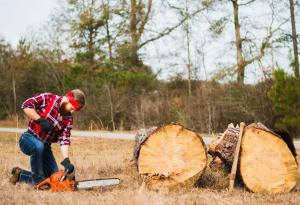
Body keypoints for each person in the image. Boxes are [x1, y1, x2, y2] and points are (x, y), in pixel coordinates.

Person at [9, 89, 86, 186]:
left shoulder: (68, 119)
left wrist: (66, 161)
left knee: (54, 181)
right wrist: (40, 120)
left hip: (46, 146)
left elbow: (64, 140)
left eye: (75, 110)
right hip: (28, 138)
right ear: (67, 99)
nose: (72, 111)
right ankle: (38, 182)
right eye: (72, 108)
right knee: (39, 146)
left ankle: (20, 175)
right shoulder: (48, 98)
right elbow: (25, 105)